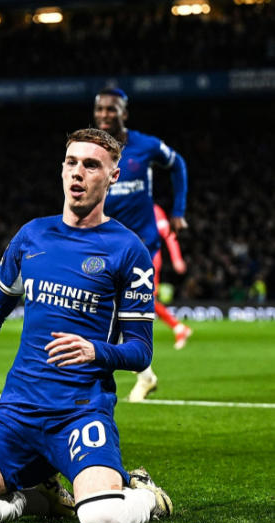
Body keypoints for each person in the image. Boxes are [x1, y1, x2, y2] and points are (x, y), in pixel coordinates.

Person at [0, 128, 172, 523]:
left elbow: (140, 351)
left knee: (103, 518)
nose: (78, 172)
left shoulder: (128, 250)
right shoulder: (32, 236)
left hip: (80, 411)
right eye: (71, 162)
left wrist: (96, 351)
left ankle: (147, 496)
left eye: (91, 165)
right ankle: (35, 499)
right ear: (62, 169)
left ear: (113, 177)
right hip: (18, 410)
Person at [94, 87, 189, 402]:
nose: (105, 114)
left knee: (123, 312)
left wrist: (178, 211)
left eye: (111, 109)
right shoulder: (92, 149)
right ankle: (144, 376)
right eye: (100, 109)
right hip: (107, 242)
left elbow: (178, 164)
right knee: (105, 313)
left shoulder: (146, 146)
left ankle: (121, 378)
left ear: (124, 113)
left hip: (143, 245)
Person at [152, 204, 192, 350]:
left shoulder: (153, 210)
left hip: (149, 260)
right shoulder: (122, 203)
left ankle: (178, 327)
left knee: (146, 298)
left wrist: (176, 258)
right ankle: (178, 328)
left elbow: (169, 235)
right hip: (129, 258)